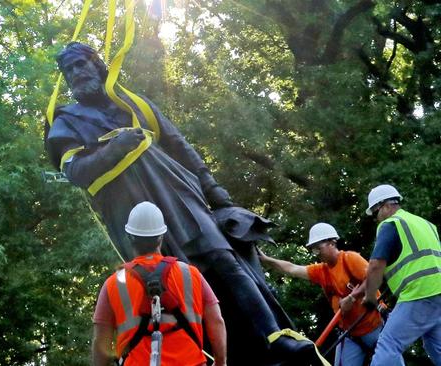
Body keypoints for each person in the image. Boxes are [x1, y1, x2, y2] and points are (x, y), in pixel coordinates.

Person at [46, 42, 324, 364]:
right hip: (133, 211)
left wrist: (216, 193)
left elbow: (180, 146)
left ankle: (275, 339)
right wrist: (116, 147)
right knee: (175, 287)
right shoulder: (66, 121)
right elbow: (76, 172)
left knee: (226, 261)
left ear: (98, 65)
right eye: (69, 71)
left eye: (81, 64)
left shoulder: (136, 104)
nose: (77, 74)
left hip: (180, 194)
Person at [92, 202, 227, 366]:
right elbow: (216, 320)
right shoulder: (190, 274)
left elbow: (101, 342)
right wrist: (220, 362)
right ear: (161, 236)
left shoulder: (114, 283)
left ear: (129, 237)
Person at [361, 184, 441, 366]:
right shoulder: (426, 224)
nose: (376, 219)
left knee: (388, 344)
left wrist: (370, 297)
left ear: (385, 206)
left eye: (375, 213)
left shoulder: (391, 223)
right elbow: (439, 257)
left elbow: (376, 265)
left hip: (420, 294)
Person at [260, 223, 384, 366]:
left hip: (374, 326)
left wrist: (352, 297)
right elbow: (292, 269)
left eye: (319, 248)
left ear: (332, 243)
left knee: (389, 361)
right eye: (314, 250)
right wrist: (266, 260)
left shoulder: (349, 259)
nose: (317, 253)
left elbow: (374, 277)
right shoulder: (321, 271)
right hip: (351, 334)